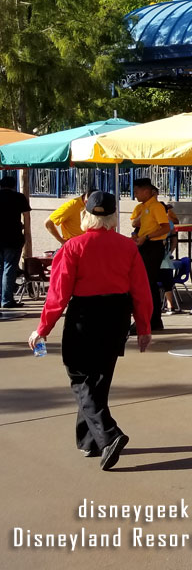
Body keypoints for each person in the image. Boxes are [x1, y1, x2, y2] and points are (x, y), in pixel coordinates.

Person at [27, 191, 152, 471]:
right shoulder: (128, 247)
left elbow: (58, 294)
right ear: (112, 218)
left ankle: (109, 435)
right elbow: (142, 291)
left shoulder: (73, 247)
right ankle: (89, 440)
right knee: (98, 378)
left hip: (85, 314)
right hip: (117, 315)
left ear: (86, 216)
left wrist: (42, 329)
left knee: (79, 375)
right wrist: (144, 326)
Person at [129, 177, 169, 331]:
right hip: (144, 245)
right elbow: (140, 225)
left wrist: (147, 237)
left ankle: (151, 320)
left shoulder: (156, 206)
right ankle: (153, 320)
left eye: (137, 191)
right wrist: (139, 236)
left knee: (147, 284)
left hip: (153, 247)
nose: (136, 195)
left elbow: (165, 228)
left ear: (146, 191)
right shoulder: (144, 207)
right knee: (146, 284)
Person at [0, 175, 30, 310]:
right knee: (9, 269)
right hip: (13, 237)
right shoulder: (19, 197)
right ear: (14, 185)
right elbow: (26, 216)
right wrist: (26, 233)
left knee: (2, 268)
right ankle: (6, 299)